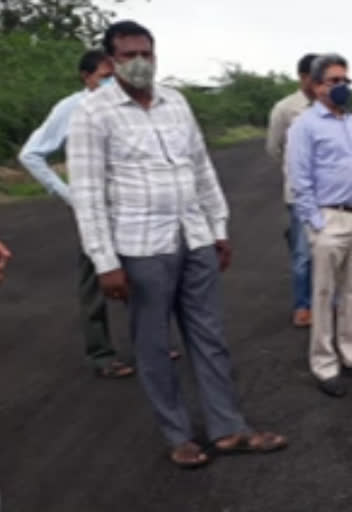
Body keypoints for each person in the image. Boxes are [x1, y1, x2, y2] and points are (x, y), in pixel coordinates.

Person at [67, 20, 288, 468]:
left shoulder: (176, 102)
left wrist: (218, 228)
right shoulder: (92, 113)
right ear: (110, 62)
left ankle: (228, 429)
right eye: (128, 55)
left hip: (194, 237)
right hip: (141, 247)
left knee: (210, 336)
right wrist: (104, 261)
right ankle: (178, 435)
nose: (139, 63)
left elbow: (201, 168)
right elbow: (88, 195)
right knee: (152, 344)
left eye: (146, 53)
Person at [18, 49, 141, 379]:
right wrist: (68, 193)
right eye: (104, 77)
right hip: (94, 209)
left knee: (141, 275)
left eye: (115, 76)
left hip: (130, 206)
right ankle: (102, 354)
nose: (111, 82)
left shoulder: (127, 106)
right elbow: (31, 154)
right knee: (96, 279)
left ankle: (148, 344)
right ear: (86, 78)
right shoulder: (72, 108)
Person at [287, 53, 352, 398]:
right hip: (329, 218)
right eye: (334, 81)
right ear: (317, 87)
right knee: (323, 293)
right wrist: (314, 221)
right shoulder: (305, 125)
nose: (342, 86)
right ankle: (324, 364)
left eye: (346, 80)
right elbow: (299, 177)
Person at [266, 53, 317, 328]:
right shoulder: (286, 108)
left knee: (330, 251)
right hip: (299, 195)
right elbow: (274, 149)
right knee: (302, 253)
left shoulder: (330, 105)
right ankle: (302, 306)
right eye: (315, 75)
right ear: (303, 77)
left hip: (330, 194)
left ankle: (328, 301)